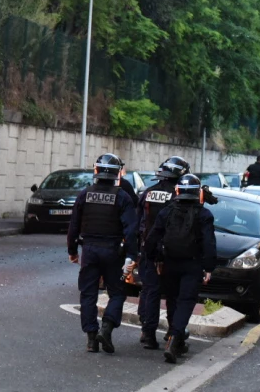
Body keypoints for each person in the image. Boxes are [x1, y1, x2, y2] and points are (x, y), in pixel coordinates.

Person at [68, 153, 138, 354]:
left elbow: (74, 226)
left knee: (88, 293)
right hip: (113, 251)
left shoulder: (85, 194)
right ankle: (106, 329)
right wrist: (131, 256)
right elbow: (131, 230)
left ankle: (91, 338)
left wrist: (73, 251)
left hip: (89, 250)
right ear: (117, 173)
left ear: (96, 171)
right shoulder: (122, 197)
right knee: (117, 292)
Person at [145, 174, 217, 364]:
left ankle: (173, 336)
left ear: (177, 191)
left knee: (172, 300)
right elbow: (209, 243)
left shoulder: (166, 212)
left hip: (169, 263)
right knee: (186, 301)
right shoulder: (204, 215)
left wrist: (152, 258)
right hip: (192, 265)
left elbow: (152, 237)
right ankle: (175, 338)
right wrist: (209, 267)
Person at [136, 156, 190, 350]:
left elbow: (139, 222)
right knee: (174, 295)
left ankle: (148, 334)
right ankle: (174, 335)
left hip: (148, 250)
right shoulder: (179, 196)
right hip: (172, 253)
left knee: (151, 292)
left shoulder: (148, 193)